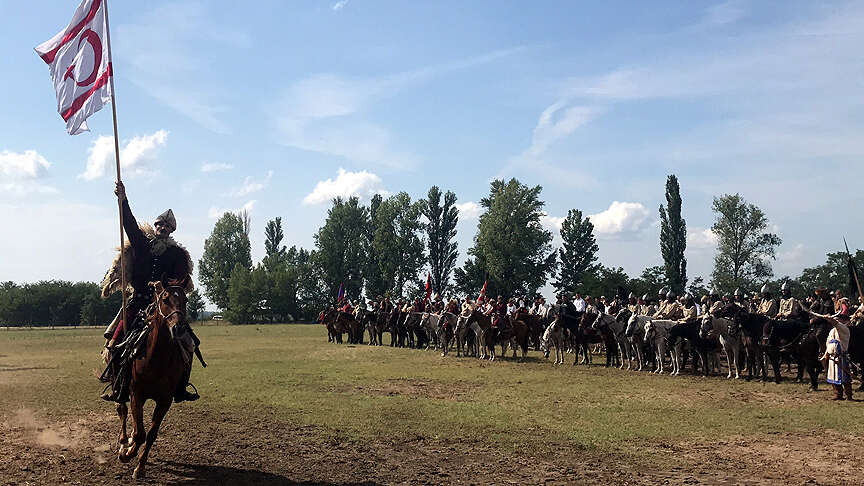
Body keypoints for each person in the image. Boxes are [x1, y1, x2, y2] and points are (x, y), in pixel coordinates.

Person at [101, 181, 197, 404]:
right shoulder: (141, 244)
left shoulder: (177, 255)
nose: (162, 228)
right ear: (155, 226)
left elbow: (181, 276)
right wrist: (123, 200)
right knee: (114, 343)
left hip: (164, 307)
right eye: (160, 224)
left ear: (171, 230)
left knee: (189, 344)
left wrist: (167, 286)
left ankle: (181, 388)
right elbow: (129, 224)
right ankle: (118, 387)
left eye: (167, 226)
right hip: (137, 304)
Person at [820, 315, 853, 400]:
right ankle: (838, 394)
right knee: (833, 377)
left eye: (837, 320)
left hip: (841, 358)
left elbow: (836, 324)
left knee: (845, 378)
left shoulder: (844, 329)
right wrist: (825, 355)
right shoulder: (832, 331)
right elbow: (828, 344)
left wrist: (829, 319)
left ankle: (849, 395)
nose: (835, 321)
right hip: (832, 358)